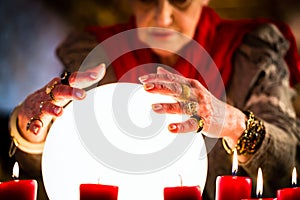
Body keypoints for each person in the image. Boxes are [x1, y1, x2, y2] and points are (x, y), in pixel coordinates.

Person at [6, 0, 300, 199]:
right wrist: (30, 131)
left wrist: (230, 121)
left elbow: (287, 165)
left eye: (181, 0)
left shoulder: (252, 53)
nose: (162, 18)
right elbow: (52, 170)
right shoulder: (96, 55)